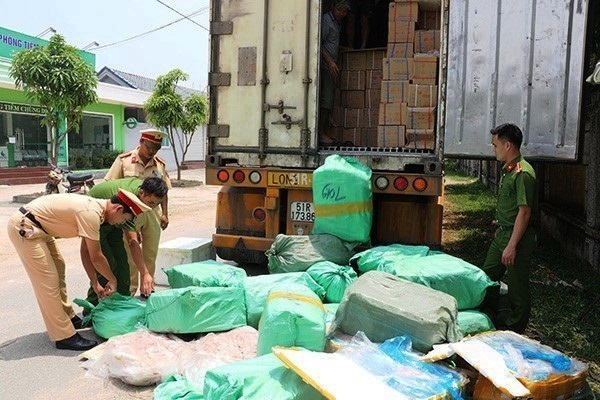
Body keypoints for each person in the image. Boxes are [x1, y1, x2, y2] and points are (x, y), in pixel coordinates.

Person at [6, 190, 151, 350]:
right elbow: (96, 256)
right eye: (123, 219)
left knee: (59, 267)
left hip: (40, 229)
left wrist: (96, 283)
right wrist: (113, 280)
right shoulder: (90, 213)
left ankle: (67, 316)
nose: (119, 224)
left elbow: (86, 252)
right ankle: (63, 336)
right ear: (118, 209)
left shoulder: (97, 213)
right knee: (48, 281)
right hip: (26, 227)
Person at [479, 122, 537, 333]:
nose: (493, 149)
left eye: (495, 145)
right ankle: (488, 316)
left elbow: (524, 212)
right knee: (486, 277)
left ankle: (515, 330)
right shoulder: (510, 171)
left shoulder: (523, 173)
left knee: (517, 288)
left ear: (508, 146)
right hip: (503, 235)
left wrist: (512, 246)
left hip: (517, 239)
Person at [104, 128, 172, 296]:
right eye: (149, 147)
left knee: (150, 252)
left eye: (156, 149)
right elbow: (110, 187)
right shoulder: (124, 161)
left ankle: (148, 289)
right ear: (141, 142)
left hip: (152, 212)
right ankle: (130, 290)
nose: (152, 152)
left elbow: (164, 192)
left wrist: (165, 213)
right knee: (130, 253)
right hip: (128, 213)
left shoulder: (159, 164)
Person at [84, 177, 168, 306]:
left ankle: (122, 305)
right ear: (141, 193)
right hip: (95, 217)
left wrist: (144, 273)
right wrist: (145, 273)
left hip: (114, 219)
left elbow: (131, 240)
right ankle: (92, 305)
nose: (152, 208)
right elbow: (132, 241)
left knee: (123, 263)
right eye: (151, 203)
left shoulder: (142, 195)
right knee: (107, 264)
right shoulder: (129, 200)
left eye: (156, 204)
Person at [319, 0, 351, 145]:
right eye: (340, 10)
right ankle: (320, 135)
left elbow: (330, 42)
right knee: (327, 101)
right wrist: (330, 62)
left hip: (330, 67)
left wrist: (341, 48)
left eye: (344, 11)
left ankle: (323, 133)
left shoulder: (337, 22)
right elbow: (318, 43)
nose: (342, 14)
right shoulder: (327, 20)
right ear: (333, 8)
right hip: (326, 68)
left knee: (329, 101)